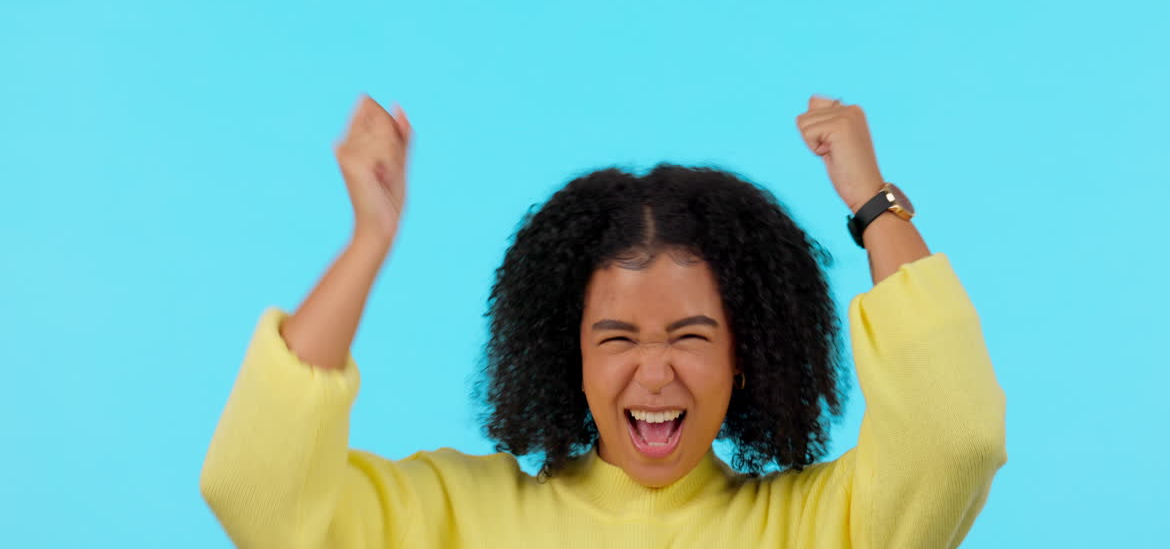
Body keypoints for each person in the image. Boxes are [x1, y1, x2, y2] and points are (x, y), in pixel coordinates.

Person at [200, 93, 1008, 548]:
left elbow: (955, 437)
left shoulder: (817, 528)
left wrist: (876, 207)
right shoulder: (458, 517)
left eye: (690, 337)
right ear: (570, 358)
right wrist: (368, 242)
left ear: (745, 358)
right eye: (616, 338)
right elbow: (257, 492)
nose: (653, 374)